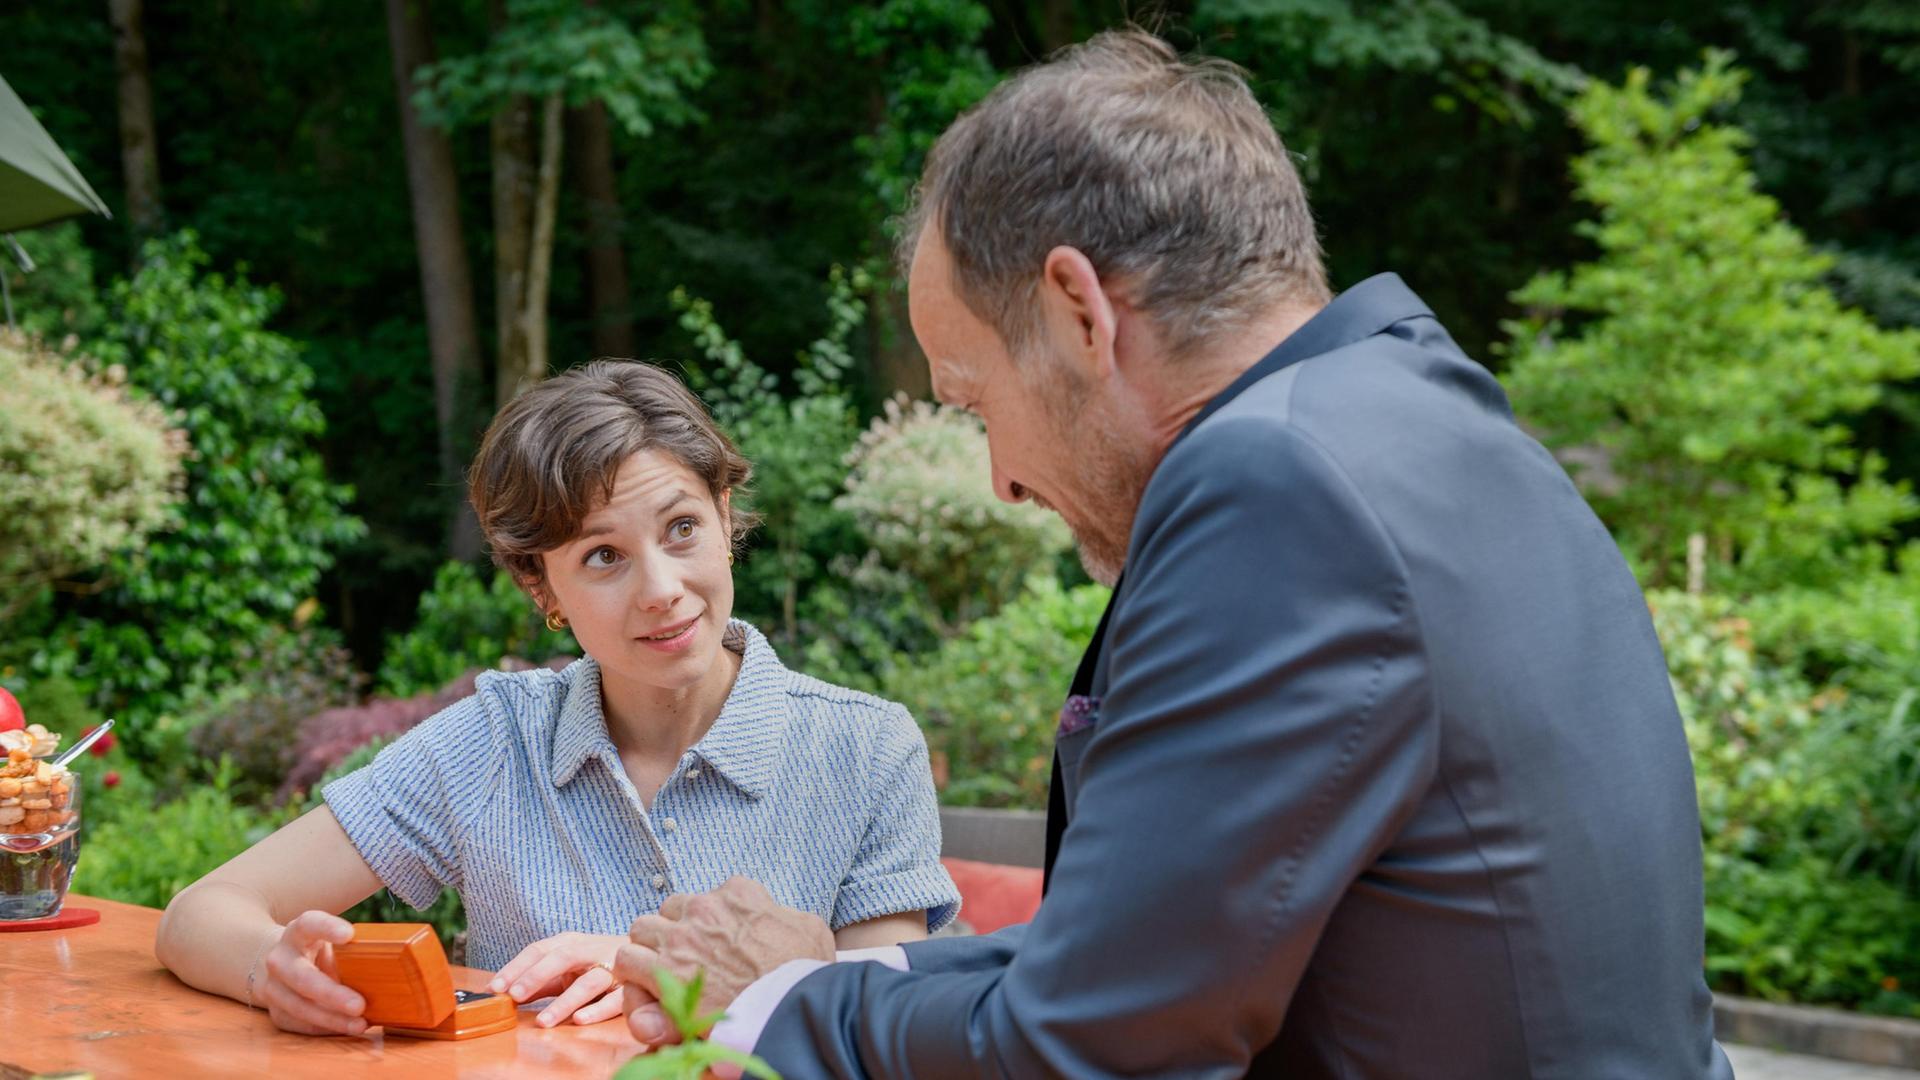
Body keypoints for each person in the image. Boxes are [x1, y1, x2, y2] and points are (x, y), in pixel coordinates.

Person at [611, 30, 1736, 1079]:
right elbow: (1154, 959)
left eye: (973, 402)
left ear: (1077, 313)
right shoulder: (1430, 429)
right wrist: (849, 972)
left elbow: (1088, 1048)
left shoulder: (1276, 491)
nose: (999, 477)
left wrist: (782, 1007)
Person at [154, 361, 958, 1036]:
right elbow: (202, 912)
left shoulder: (866, 748)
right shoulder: (494, 741)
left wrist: (651, 965)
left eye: (681, 528)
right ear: (542, 588)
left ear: (723, 517)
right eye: (604, 556)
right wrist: (274, 970)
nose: (663, 591)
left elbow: (882, 1024)